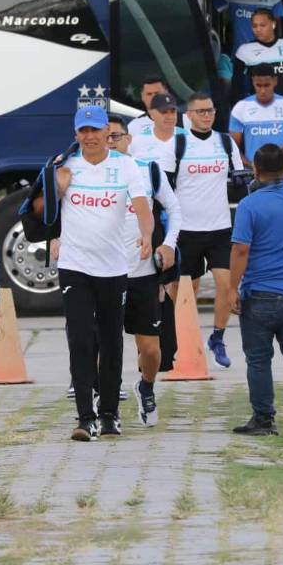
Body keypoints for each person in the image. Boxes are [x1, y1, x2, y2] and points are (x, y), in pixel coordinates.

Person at [44, 105, 151, 441]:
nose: (89, 137)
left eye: (95, 131)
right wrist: (57, 187)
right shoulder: (65, 166)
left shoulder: (127, 166)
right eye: (83, 131)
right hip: (75, 266)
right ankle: (84, 417)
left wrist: (147, 236)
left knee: (111, 339)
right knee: (79, 338)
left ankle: (109, 413)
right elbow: (42, 211)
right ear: (76, 134)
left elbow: (144, 210)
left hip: (114, 267)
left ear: (108, 133)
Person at [228, 144, 283, 438]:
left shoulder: (250, 206)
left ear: (255, 170)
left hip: (260, 293)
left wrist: (231, 288)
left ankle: (264, 419)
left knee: (259, 359)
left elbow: (241, 250)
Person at [108, 115, 181, 427]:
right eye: (106, 136)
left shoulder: (148, 171)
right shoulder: (90, 174)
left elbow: (174, 209)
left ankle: (146, 387)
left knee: (152, 350)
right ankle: (106, 405)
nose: (111, 142)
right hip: (105, 275)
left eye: (117, 136)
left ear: (129, 139)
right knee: (104, 346)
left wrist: (168, 244)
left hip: (143, 273)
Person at [171, 91, 246, 368]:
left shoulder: (225, 142)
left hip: (219, 227)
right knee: (185, 290)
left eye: (210, 111)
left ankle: (218, 337)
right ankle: (183, 341)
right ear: (188, 115)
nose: (206, 116)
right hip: (187, 229)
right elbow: (165, 186)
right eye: (201, 111)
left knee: (226, 287)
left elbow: (240, 181)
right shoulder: (178, 143)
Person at [228, 64, 283, 168]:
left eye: (267, 85)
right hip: (253, 175)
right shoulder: (240, 108)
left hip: (281, 175)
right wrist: (252, 166)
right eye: (259, 85)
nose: (263, 90)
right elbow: (234, 150)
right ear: (252, 81)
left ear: (275, 81)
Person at [234, 8, 283, 103]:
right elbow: (237, 88)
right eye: (254, 26)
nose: (258, 29)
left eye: (262, 25)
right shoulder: (245, 51)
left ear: (273, 24)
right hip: (258, 109)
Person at [129, 92, 182, 173]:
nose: (170, 117)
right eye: (164, 112)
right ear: (152, 114)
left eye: (173, 112)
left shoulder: (189, 138)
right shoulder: (137, 141)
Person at [126, 79, 191, 139]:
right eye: (149, 94)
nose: (154, 97)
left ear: (166, 92)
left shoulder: (186, 122)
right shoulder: (134, 126)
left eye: (157, 93)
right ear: (142, 96)